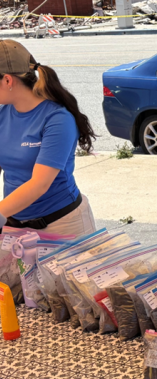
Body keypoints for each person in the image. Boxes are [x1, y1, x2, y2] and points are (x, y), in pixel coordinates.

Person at [0, 40, 97, 236]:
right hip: (14, 221)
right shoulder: (3, 113)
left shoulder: (58, 119)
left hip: (61, 225)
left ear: (7, 81)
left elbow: (39, 184)